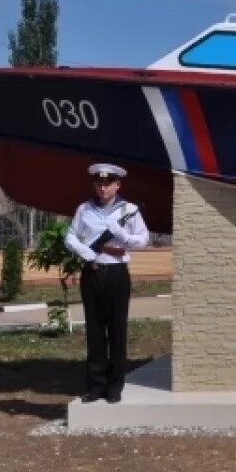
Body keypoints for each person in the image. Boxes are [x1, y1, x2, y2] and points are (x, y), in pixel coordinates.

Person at [64, 163, 150, 403]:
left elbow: (143, 239)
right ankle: (95, 386)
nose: (103, 188)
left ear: (117, 185)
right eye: (99, 184)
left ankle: (114, 387)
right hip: (92, 272)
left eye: (108, 184)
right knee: (94, 330)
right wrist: (87, 253)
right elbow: (70, 236)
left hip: (116, 273)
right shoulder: (84, 209)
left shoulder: (129, 210)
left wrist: (123, 236)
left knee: (116, 330)